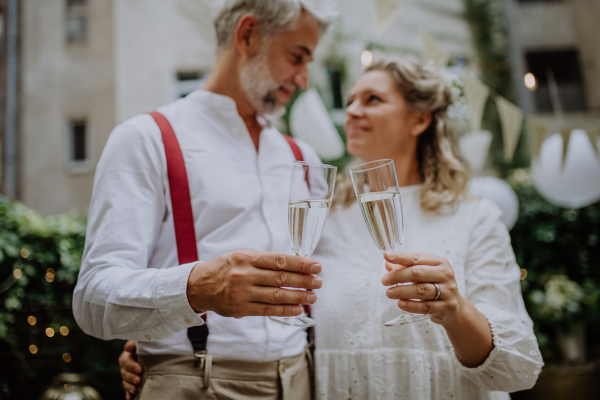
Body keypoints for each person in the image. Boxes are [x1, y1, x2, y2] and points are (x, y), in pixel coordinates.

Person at [119, 57, 544, 399]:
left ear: (420, 120)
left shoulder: (474, 217)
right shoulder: (325, 217)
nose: (353, 110)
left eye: (373, 99)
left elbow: (520, 367)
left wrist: (455, 312)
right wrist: (162, 348)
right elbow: (271, 302)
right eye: (352, 99)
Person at [73, 1, 336, 399]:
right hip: (195, 382)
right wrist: (194, 289)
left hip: (303, 378)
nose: (303, 80)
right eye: (297, 57)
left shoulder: (304, 157)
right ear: (247, 34)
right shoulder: (146, 139)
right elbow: (93, 299)